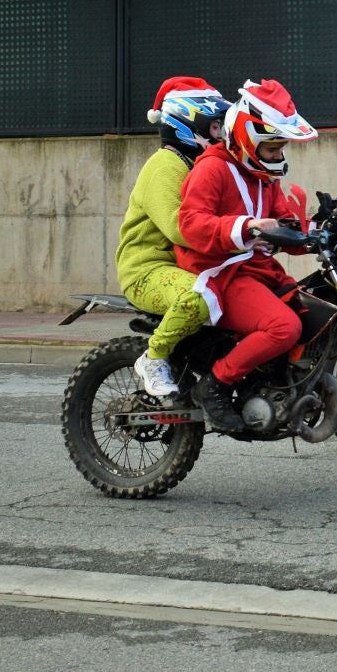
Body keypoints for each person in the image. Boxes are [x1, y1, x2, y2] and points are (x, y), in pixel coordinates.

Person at [176, 79, 318, 432]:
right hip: (221, 271)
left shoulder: (264, 176)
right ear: (248, 139)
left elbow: (285, 224)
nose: (278, 154)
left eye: (281, 146)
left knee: (312, 314)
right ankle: (214, 386)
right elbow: (191, 223)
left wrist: (319, 230)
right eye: (272, 146)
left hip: (255, 271)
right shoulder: (212, 169)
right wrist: (246, 227)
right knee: (284, 327)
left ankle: (269, 384)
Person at [116, 78, 231, 399]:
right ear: (189, 123)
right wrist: (237, 232)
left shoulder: (198, 164)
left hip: (187, 264)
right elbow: (179, 227)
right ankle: (154, 357)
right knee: (198, 296)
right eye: (216, 127)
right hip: (147, 271)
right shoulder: (166, 165)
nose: (222, 135)